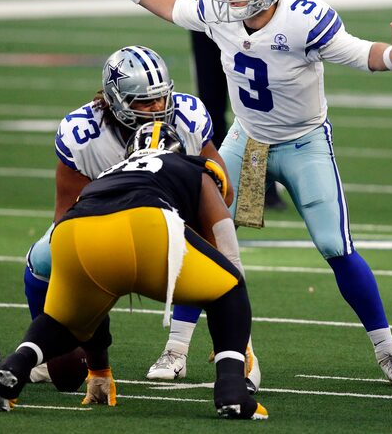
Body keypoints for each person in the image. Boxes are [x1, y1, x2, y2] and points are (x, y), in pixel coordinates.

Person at [89, 0, 392, 388]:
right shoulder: (218, 7)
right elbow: (173, 6)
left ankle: (389, 353)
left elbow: (361, 54)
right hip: (248, 142)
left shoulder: (304, 20)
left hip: (304, 142)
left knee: (336, 246)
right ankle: (175, 349)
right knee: (200, 240)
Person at [0, 121, 267, 420]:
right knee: (231, 287)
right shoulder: (192, 166)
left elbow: (96, 311)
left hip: (73, 231)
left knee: (63, 323)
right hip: (145, 222)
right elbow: (225, 247)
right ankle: (232, 392)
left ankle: (14, 367)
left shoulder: (107, 174)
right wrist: (236, 339)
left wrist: (99, 370)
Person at [20, 46, 259, 384]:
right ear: (115, 100)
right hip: (99, 222)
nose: (158, 109)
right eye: (145, 102)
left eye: (162, 98)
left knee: (208, 256)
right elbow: (64, 218)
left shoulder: (187, 116)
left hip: (168, 217)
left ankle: (181, 348)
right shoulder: (83, 134)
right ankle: (47, 336)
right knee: (42, 261)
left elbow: (223, 190)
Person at [165, 0, 289, 211]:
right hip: (210, 19)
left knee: (255, 107)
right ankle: (216, 184)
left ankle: (260, 189)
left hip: (252, 21)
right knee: (211, 103)